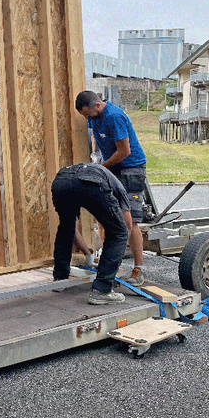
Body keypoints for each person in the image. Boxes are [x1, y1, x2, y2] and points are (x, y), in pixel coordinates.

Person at [75, 91, 147, 286]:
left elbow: (125, 151)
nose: (87, 119)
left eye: (87, 114)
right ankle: (109, 265)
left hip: (131, 170)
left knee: (129, 221)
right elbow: (95, 137)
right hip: (112, 168)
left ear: (97, 106)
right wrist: (95, 157)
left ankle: (139, 269)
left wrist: (101, 168)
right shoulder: (94, 117)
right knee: (105, 218)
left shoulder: (114, 116)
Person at [51, 163, 133, 304]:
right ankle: (102, 290)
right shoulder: (120, 189)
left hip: (61, 180)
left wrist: (88, 254)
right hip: (91, 182)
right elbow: (127, 226)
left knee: (66, 226)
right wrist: (113, 256)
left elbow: (73, 228)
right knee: (119, 232)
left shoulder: (101, 175)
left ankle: (60, 279)